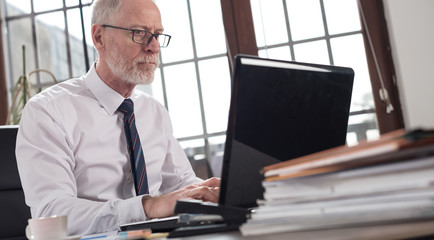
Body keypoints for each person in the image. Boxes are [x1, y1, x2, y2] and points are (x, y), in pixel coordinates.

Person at [16, 0, 220, 235]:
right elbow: (51, 213)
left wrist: (212, 193)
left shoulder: (154, 111)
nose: (154, 47)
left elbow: (182, 184)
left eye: (157, 35)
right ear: (99, 37)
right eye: (139, 33)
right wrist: (148, 207)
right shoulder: (48, 111)